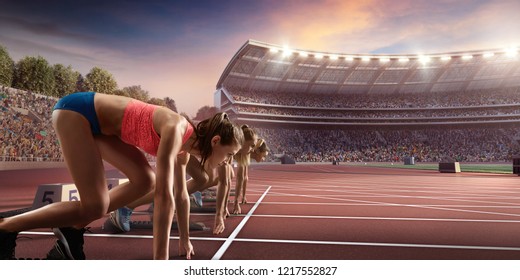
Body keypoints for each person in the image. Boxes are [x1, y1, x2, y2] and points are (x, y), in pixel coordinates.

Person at [0, 92, 243, 260]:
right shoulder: (176, 129)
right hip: (77, 112)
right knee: (96, 206)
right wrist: (161, 261)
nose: (228, 161)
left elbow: (180, 195)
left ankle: (73, 228)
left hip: (102, 128)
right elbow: (164, 197)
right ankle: (6, 227)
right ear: (215, 141)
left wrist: (184, 239)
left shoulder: (184, 150)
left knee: (145, 180)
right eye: (229, 154)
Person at [109, 124, 260, 235]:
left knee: (204, 179)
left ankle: (193, 193)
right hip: (176, 142)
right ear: (243, 141)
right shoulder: (227, 144)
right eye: (252, 146)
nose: (253, 149)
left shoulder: (230, 146)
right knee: (170, 187)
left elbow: (224, 181)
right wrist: (219, 215)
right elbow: (224, 182)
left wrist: (222, 209)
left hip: (184, 145)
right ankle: (126, 205)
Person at [232, 136, 269, 215]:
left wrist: (244, 196)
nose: (264, 159)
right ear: (258, 151)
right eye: (264, 156)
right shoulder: (245, 152)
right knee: (227, 176)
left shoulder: (248, 155)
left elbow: (245, 177)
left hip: (229, 156)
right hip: (221, 156)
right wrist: (236, 203)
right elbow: (240, 177)